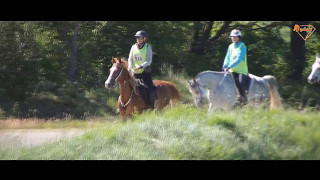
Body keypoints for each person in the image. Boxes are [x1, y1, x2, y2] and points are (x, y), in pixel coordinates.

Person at [128, 30, 158, 108]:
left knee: (149, 88)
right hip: (134, 72)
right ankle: (122, 105)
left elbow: (149, 60)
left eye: (140, 38)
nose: (138, 39)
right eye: (137, 38)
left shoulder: (148, 47)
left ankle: (151, 104)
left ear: (144, 39)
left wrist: (141, 66)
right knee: (126, 86)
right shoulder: (133, 47)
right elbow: (130, 58)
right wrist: (130, 67)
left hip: (145, 72)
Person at [222, 29, 250, 103]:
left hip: (241, 70)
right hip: (232, 70)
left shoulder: (242, 46)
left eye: (235, 37)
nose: (233, 38)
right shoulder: (230, 46)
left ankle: (243, 97)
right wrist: (225, 65)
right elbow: (227, 57)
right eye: (232, 37)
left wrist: (229, 66)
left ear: (239, 37)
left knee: (240, 83)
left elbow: (239, 58)